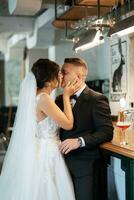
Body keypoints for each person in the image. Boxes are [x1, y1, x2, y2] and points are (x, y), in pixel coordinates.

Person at [0, 58, 82, 200]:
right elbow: (68, 124)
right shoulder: (43, 98)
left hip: (41, 148)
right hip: (47, 152)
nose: (61, 76)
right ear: (49, 79)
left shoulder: (36, 96)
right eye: (58, 73)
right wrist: (67, 96)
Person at [56, 58, 114, 200]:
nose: (61, 76)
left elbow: (106, 132)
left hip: (86, 167)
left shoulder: (97, 99)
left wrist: (79, 141)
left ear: (80, 77)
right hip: (60, 165)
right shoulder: (58, 100)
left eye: (65, 72)